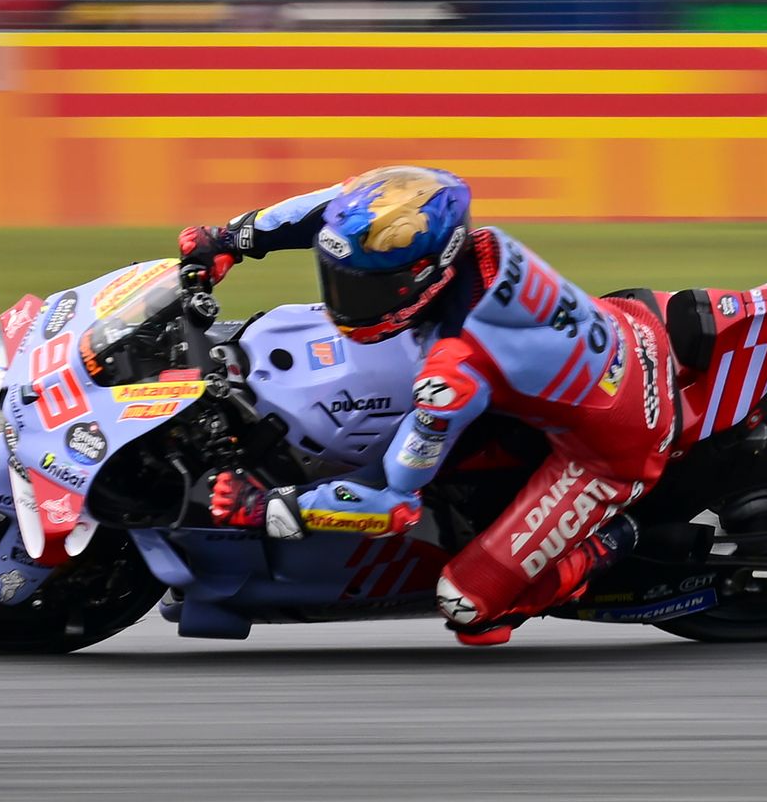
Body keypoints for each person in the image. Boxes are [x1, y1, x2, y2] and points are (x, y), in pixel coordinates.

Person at [177, 162, 699, 645]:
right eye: (338, 280)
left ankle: (610, 539)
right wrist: (226, 239)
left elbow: (393, 500)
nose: (344, 300)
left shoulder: (456, 365)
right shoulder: (450, 238)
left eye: (368, 289)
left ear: (431, 274)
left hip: (615, 441)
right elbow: (328, 209)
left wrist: (269, 507)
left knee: (469, 610)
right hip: (622, 330)